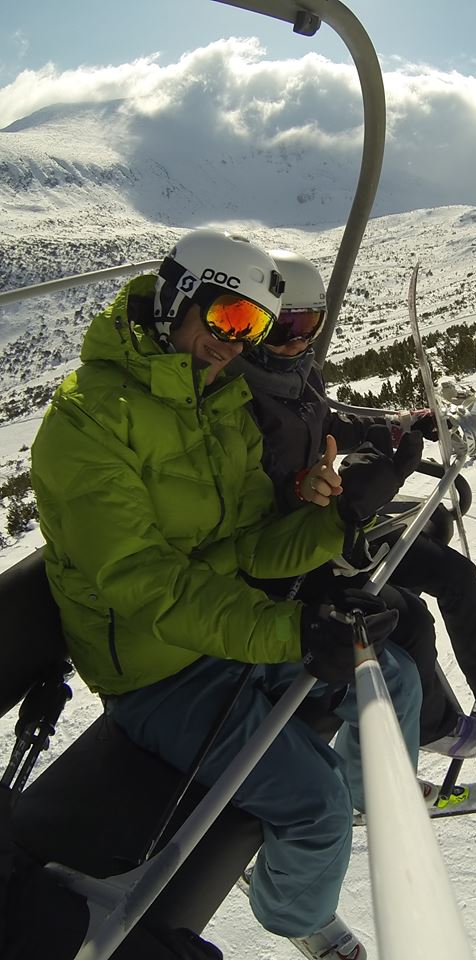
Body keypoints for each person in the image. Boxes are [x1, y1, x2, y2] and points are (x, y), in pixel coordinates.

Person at [29, 229, 422, 960]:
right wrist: (294, 635)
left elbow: (245, 544)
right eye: (229, 319)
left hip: (218, 623)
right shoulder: (87, 421)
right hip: (153, 669)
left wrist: (337, 520)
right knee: (313, 807)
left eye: (257, 330)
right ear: (178, 296)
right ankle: (295, 914)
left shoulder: (215, 401)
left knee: (388, 670)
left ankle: (384, 802)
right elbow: (145, 582)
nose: (236, 344)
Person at [232, 249, 476, 759]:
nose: (299, 340)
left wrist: (398, 426)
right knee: (410, 616)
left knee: (451, 573)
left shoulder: (298, 374)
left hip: (337, 521)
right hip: (302, 546)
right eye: (285, 328)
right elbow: (249, 494)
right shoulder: (238, 398)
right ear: (254, 325)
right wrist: (309, 488)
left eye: (310, 325)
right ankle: (431, 726)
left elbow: (327, 425)